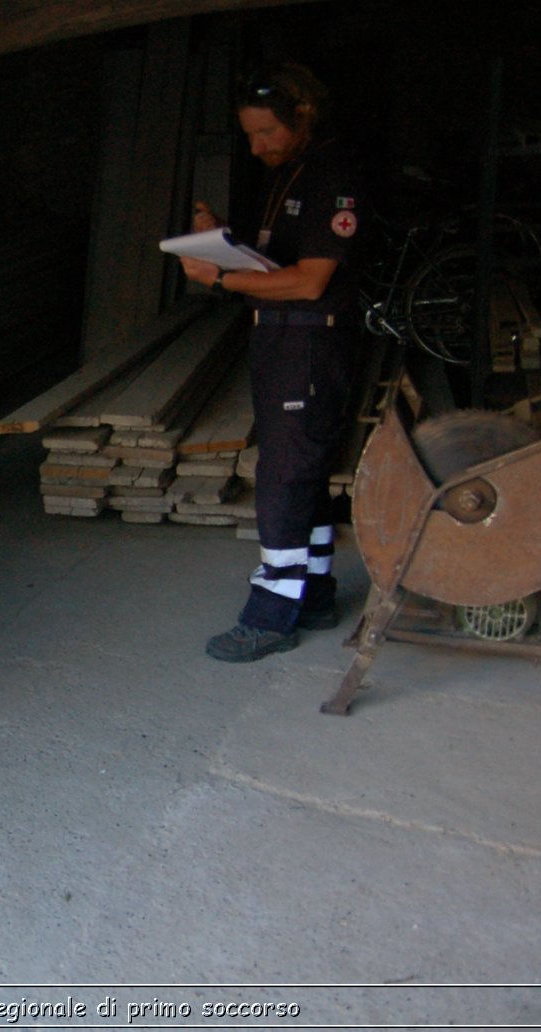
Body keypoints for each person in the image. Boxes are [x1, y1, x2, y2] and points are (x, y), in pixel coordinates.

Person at [179, 63, 364, 663]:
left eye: (266, 134)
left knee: (284, 476)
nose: (257, 147)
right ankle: (313, 595)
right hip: (284, 340)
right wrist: (221, 244)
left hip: (309, 342)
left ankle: (270, 614)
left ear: (301, 117)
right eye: (249, 135)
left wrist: (222, 277)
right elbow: (278, 261)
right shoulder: (294, 172)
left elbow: (311, 282)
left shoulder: (333, 173)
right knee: (301, 471)